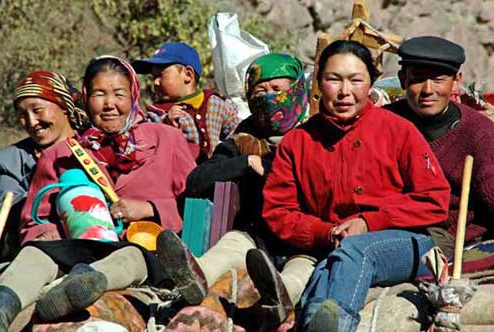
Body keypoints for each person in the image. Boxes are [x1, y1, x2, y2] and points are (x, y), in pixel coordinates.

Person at [257, 41, 451, 331]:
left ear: (371, 83)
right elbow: (278, 212)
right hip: (334, 247)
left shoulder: (399, 130)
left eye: (356, 80)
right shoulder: (297, 142)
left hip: (409, 244)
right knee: (326, 269)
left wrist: (370, 222)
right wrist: (325, 233)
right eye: (334, 79)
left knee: (354, 251)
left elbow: (434, 200)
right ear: (319, 83)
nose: (345, 91)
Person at [0, 56, 196, 331]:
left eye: (118, 94)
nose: (109, 104)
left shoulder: (166, 140)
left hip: (143, 248)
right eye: (100, 94)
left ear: (134, 95)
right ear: (87, 98)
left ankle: (77, 288)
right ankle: (1, 309)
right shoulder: (61, 153)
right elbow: (33, 219)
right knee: (35, 255)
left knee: (129, 258)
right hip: (78, 245)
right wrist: (43, 233)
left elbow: (196, 206)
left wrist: (150, 208)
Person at [155, 53, 315, 329]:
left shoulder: (318, 134)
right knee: (229, 247)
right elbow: (197, 180)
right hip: (255, 238)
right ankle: (195, 277)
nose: (268, 97)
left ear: (297, 89)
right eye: (260, 91)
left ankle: (281, 296)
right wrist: (246, 163)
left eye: (277, 90)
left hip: (304, 240)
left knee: (300, 270)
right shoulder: (242, 139)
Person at [384, 36, 494, 258]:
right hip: (386, 225)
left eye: (438, 80)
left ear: (456, 81)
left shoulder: (479, 133)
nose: (427, 90)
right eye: (417, 79)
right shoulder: (382, 122)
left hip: (447, 236)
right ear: (402, 79)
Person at [0, 71, 88, 261]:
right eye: (22, 115)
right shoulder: (9, 162)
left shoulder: (95, 147)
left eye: (37, 110)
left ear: (63, 106)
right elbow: (9, 210)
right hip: (37, 254)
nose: (31, 122)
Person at [132, 42, 240, 162]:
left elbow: (236, 129)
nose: (156, 83)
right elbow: (148, 143)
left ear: (188, 75)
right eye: (153, 77)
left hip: (215, 173)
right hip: (180, 176)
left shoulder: (214, 102)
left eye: (160, 76)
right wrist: (166, 124)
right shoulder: (157, 114)